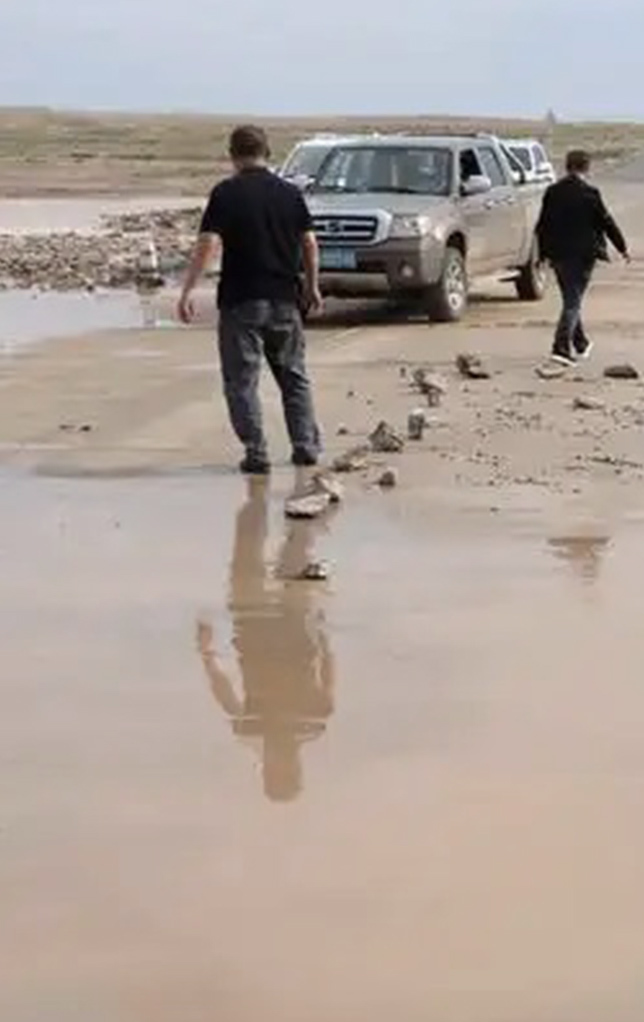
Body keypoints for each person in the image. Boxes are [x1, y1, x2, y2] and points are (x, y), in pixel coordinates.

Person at [177, 124, 323, 475]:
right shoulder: (290, 194)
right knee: (293, 376)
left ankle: (256, 452)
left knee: (242, 381)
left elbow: (209, 243)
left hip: (241, 300)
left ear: (232, 155)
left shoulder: (226, 193)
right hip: (285, 299)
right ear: (267, 153)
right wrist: (312, 286)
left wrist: (188, 290)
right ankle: (305, 446)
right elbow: (309, 243)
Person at [195, 478, 336, 803]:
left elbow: (224, 692)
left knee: (249, 560)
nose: (278, 761)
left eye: (275, 769)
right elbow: (328, 677)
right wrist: (324, 636)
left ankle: (259, 500)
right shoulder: (311, 723)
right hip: (291, 638)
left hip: (255, 635)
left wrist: (206, 652)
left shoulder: (254, 728)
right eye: (285, 768)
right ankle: (288, 498)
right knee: (290, 561)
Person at [535, 149, 629, 365]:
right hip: (583, 255)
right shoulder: (590, 193)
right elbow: (607, 222)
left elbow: (542, 225)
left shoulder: (552, 192)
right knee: (573, 302)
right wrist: (622, 247)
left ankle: (581, 343)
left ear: (567, 166)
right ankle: (560, 348)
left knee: (571, 298)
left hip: (557, 254)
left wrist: (540, 254)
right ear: (587, 167)